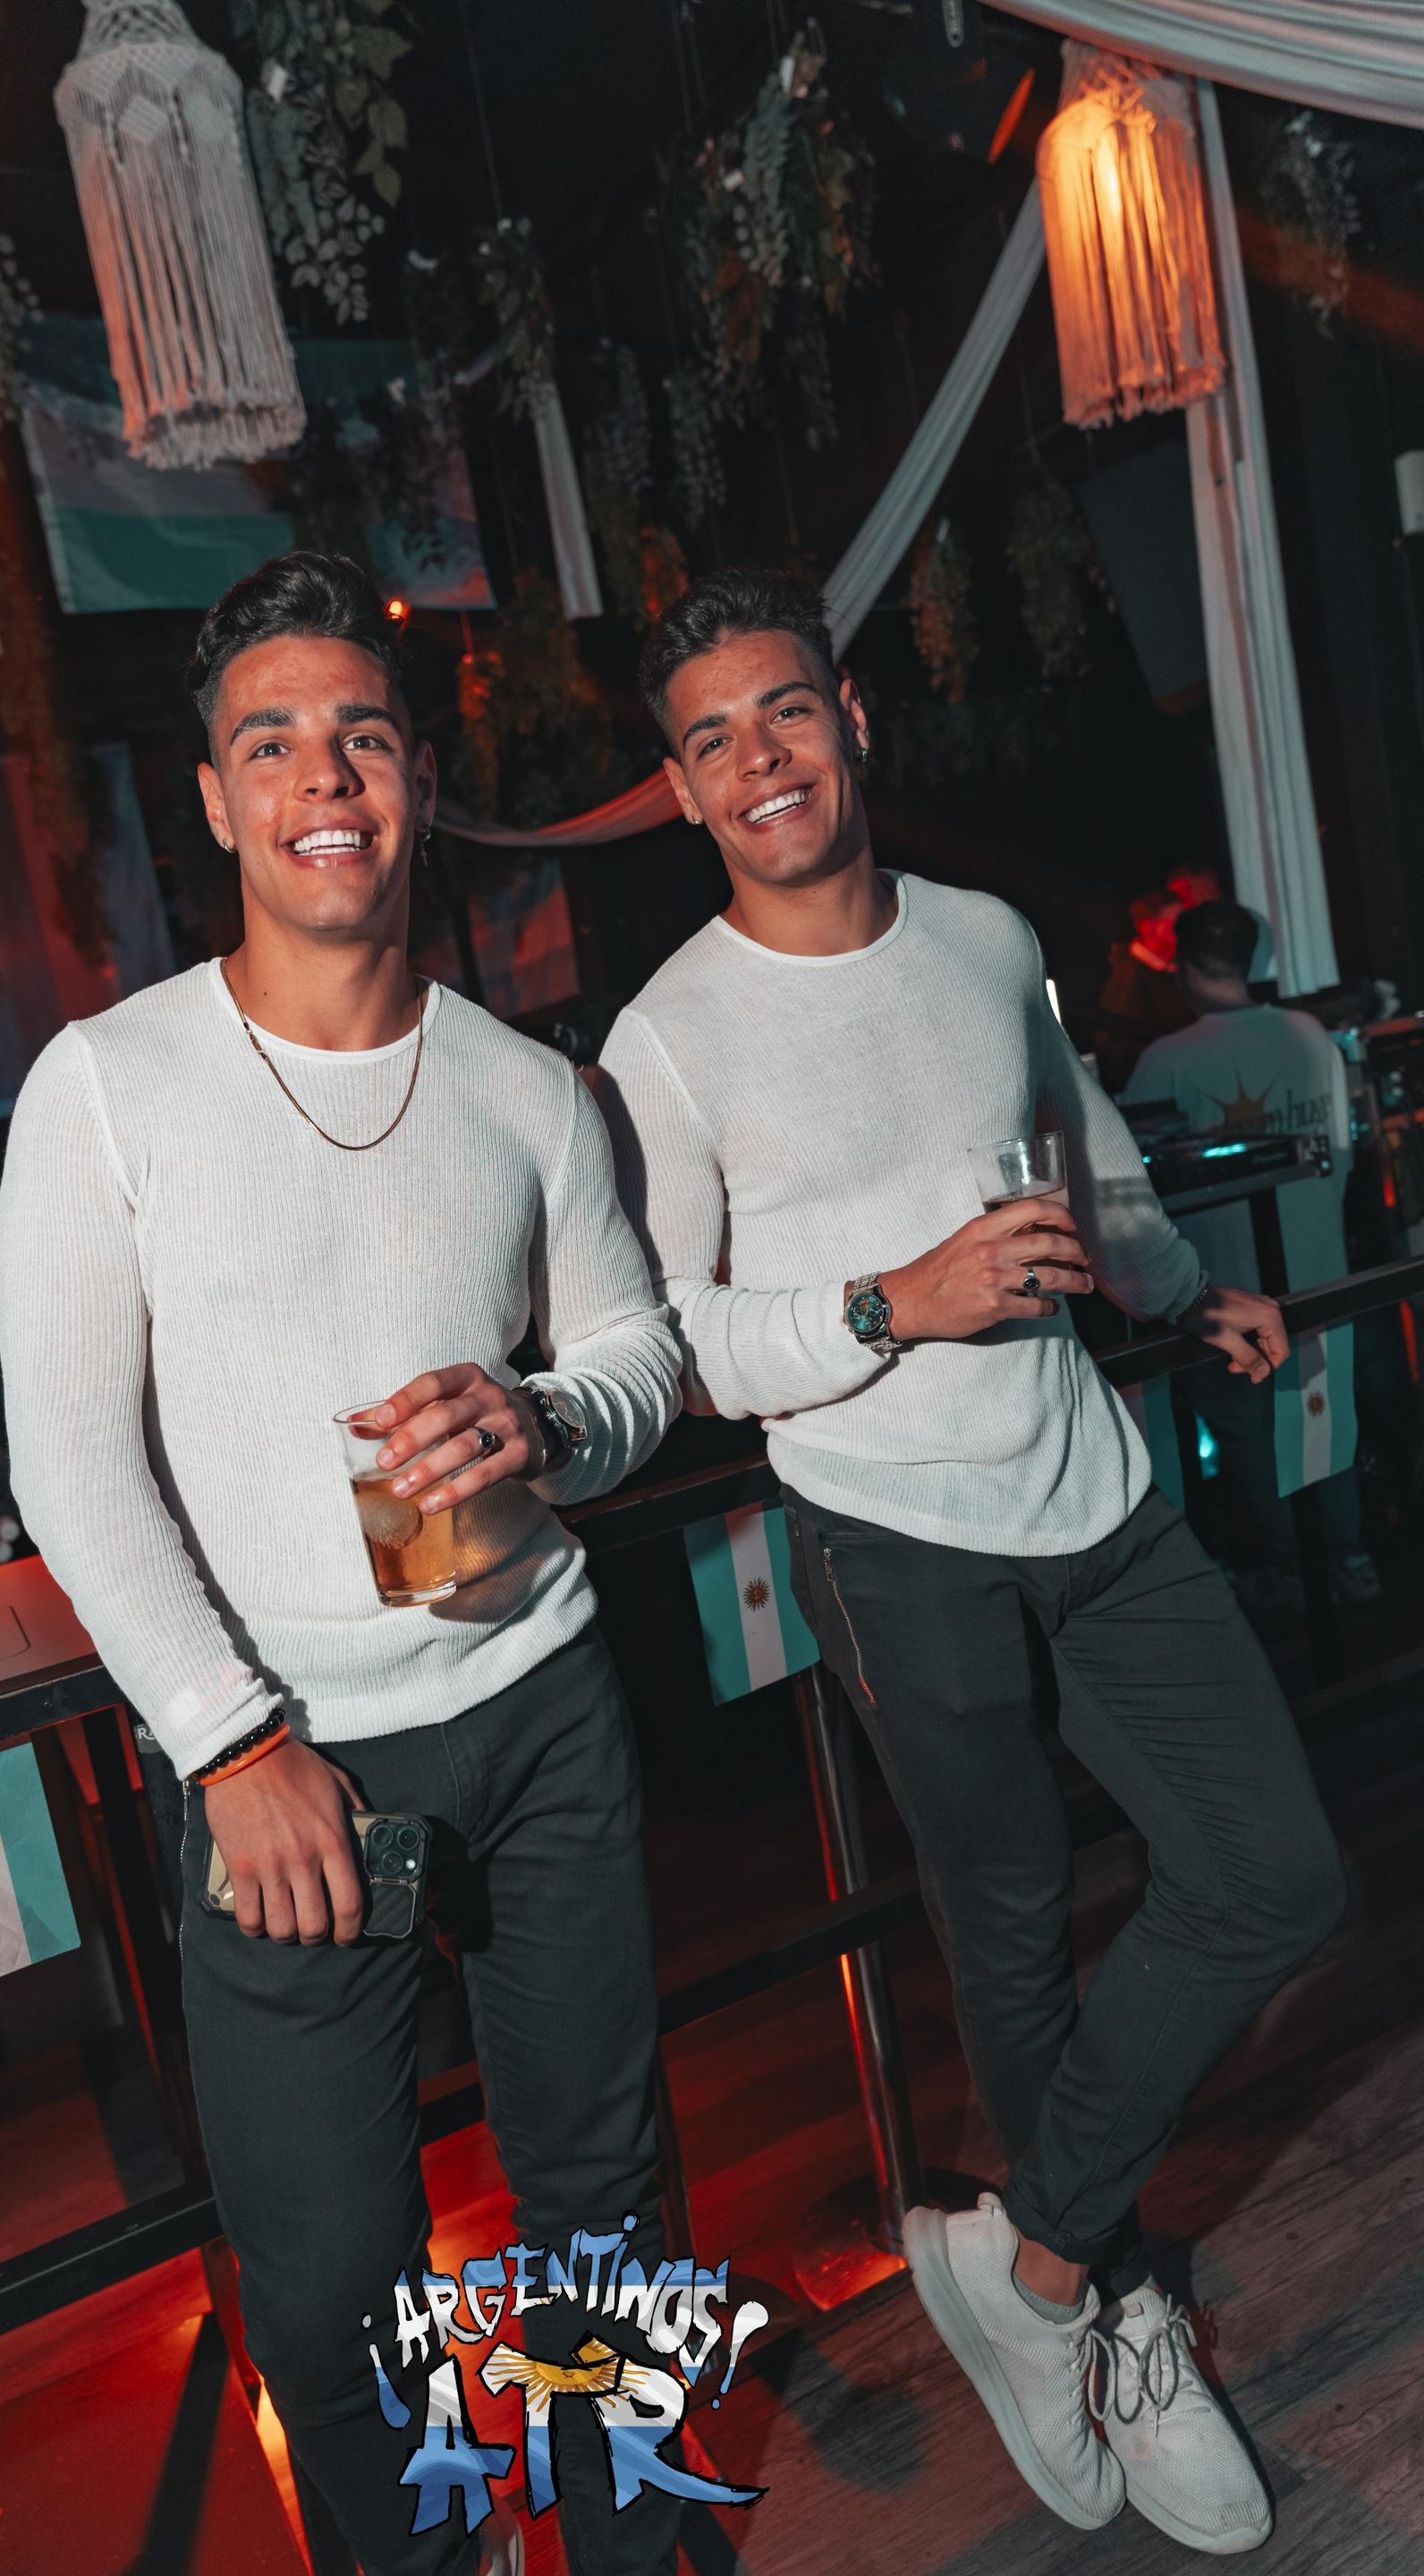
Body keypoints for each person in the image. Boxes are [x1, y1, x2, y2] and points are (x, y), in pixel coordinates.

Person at [597, 567, 1345, 2556]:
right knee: (1009, 1937)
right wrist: (894, 1302)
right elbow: (679, 1345)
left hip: (1091, 1487)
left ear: (852, 717)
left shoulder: (987, 938)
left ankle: (1032, 2270)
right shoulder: (672, 1039)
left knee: (1277, 1872)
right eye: (709, 741)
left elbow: (1082, 1156)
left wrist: (1176, 1296)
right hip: (893, 1533)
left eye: (783, 711)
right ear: (682, 789)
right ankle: (1116, 2313)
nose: (757, 760)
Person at [0, 552, 683, 2576]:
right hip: (289, 1761)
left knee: (604, 2194)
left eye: (363, 736)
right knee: (327, 2277)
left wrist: (545, 1417)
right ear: (216, 800)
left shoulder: (527, 1086)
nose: (325, 777)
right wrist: (229, 1741)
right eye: (273, 742)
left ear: (418, 782)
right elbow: (70, 1462)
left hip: (539, 1701)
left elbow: (640, 1353)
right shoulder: (107, 1086)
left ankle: (621, 2545)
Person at [1123, 900, 1376, 1608]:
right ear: (1252, 960)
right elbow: (1343, 1154)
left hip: (1223, 1294)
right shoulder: (1309, 1035)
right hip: (1318, 1275)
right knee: (1321, 1421)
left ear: (1183, 967)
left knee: (1247, 1435)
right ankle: (1351, 1562)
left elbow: (1134, 1190)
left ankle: (1292, 1573)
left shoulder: (1166, 1060)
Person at [1094, 888, 1191, 1093]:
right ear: (1148, 927)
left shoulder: (1178, 969)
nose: (1183, 931)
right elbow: (1112, 1049)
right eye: (1175, 923)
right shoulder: (1128, 978)